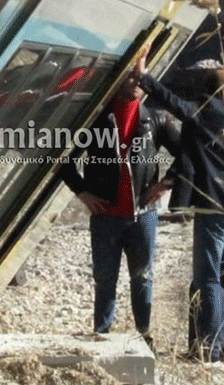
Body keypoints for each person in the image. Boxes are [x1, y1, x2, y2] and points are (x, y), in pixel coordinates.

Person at [134, 53, 224, 362]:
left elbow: (171, 101)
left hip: (212, 209)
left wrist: (144, 77)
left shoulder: (202, 112)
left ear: (207, 87)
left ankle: (209, 348)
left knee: (209, 279)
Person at [60, 72, 180, 350]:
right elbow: (63, 159)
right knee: (105, 279)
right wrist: (82, 192)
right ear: (117, 80)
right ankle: (102, 335)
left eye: (141, 81)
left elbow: (187, 152)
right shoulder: (96, 120)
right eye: (132, 79)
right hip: (105, 216)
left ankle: (143, 334)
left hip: (143, 215)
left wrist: (166, 183)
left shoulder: (156, 119)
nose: (138, 85)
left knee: (142, 275)